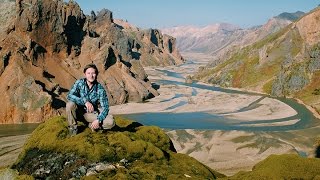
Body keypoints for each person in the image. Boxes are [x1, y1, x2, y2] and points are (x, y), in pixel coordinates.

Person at [66, 63, 115, 136]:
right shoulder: (79, 83)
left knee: (111, 122)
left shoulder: (100, 89)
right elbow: (69, 95)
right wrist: (85, 102)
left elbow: (105, 108)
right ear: (85, 74)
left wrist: (98, 120)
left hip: (90, 114)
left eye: (93, 73)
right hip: (78, 112)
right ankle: (73, 128)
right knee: (70, 104)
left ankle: (90, 125)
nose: (91, 76)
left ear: (96, 74)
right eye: (88, 73)